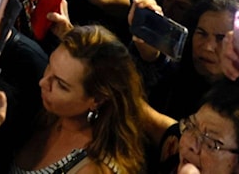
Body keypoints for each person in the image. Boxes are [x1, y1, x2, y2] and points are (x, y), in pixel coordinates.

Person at [10, 25, 147, 173]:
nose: (43, 83)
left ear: (97, 100)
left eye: (61, 85)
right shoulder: (50, 114)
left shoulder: (94, 168)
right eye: (50, 65)